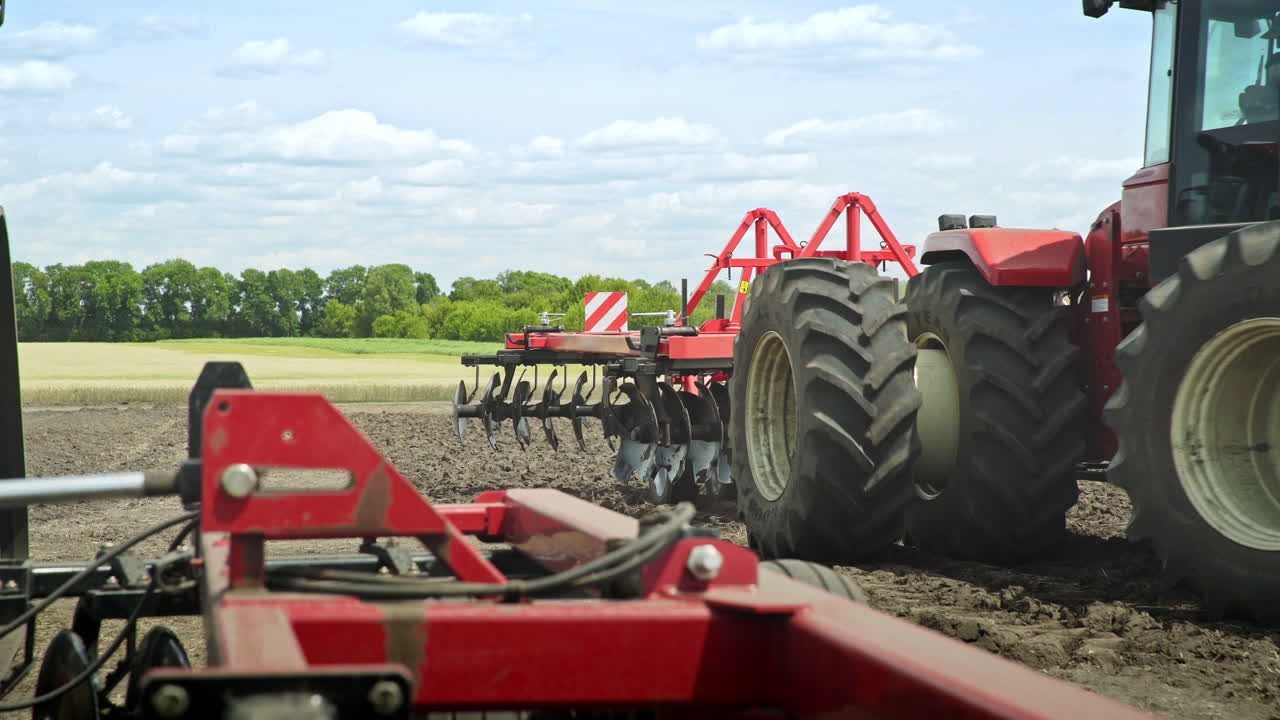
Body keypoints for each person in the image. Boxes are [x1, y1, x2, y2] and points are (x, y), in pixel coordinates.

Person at [1239, 52, 1280, 124]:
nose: (1278, 73)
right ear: (1268, 72)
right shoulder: (1255, 94)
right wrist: (1247, 108)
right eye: (1276, 69)